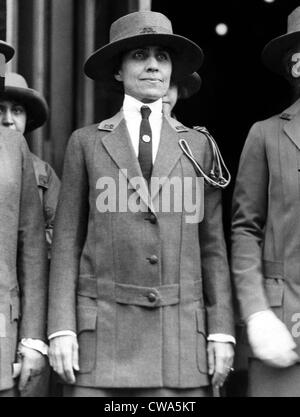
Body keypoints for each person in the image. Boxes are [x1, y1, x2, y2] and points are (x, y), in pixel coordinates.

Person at [48, 10, 235, 397]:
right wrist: (61, 327)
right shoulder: (86, 142)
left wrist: (221, 330)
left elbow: (212, 248)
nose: (152, 65)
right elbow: (66, 242)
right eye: (139, 56)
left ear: (171, 72)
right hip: (101, 340)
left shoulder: (198, 145)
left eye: (161, 57)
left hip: (180, 339)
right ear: (118, 71)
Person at [231, 6, 300, 397]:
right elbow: (245, 230)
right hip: (282, 326)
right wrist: (256, 313)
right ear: (296, 65)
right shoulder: (266, 135)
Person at [0, 41, 48, 397]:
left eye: (16, 110)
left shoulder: (22, 156)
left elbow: (36, 246)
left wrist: (33, 337)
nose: (7, 118)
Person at [0, 72, 61, 258]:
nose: (8, 120)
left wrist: (23, 241)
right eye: (0, 109)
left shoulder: (43, 172)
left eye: (17, 111)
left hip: (26, 276)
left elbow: (60, 231)